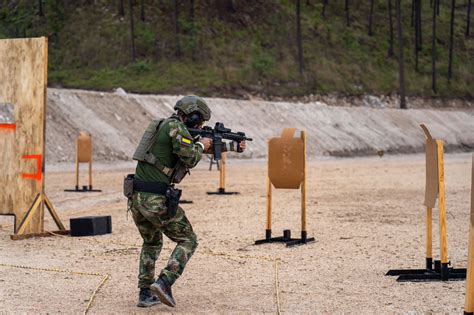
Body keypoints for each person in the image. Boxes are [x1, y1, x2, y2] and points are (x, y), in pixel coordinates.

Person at [129, 95, 246, 308]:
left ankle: (145, 293)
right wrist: (201, 144)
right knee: (188, 240)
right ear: (191, 116)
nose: (200, 125)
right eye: (199, 120)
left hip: (136, 197)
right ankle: (164, 282)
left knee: (152, 242)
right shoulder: (176, 128)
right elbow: (191, 156)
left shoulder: (165, 126)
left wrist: (231, 146)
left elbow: (193, 146)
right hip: (155, 200)